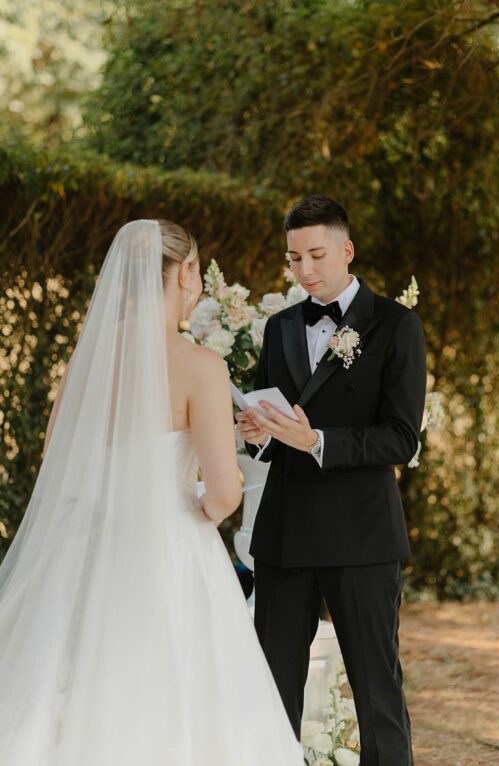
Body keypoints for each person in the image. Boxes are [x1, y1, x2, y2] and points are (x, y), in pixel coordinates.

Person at [0, 220, 302, 765]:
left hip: (86, 544)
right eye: (198, 273)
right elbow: (224, 498)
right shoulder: (199, 365)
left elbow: (62, 457)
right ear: (186, 272)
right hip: (169, 549)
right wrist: (197, 488)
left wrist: (217, 434)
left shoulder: (87, 362)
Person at [236, 196, 426, 765]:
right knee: (272, 690)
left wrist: (316, 441)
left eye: (316, 254)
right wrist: (257, 432)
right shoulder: (279, 328)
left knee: (377, 692)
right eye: (294, 258)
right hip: (286, 534)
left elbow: (400, 438)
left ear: (346, 250)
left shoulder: (396, 324)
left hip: (362, 535)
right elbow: (270, 429)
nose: (305, 270)